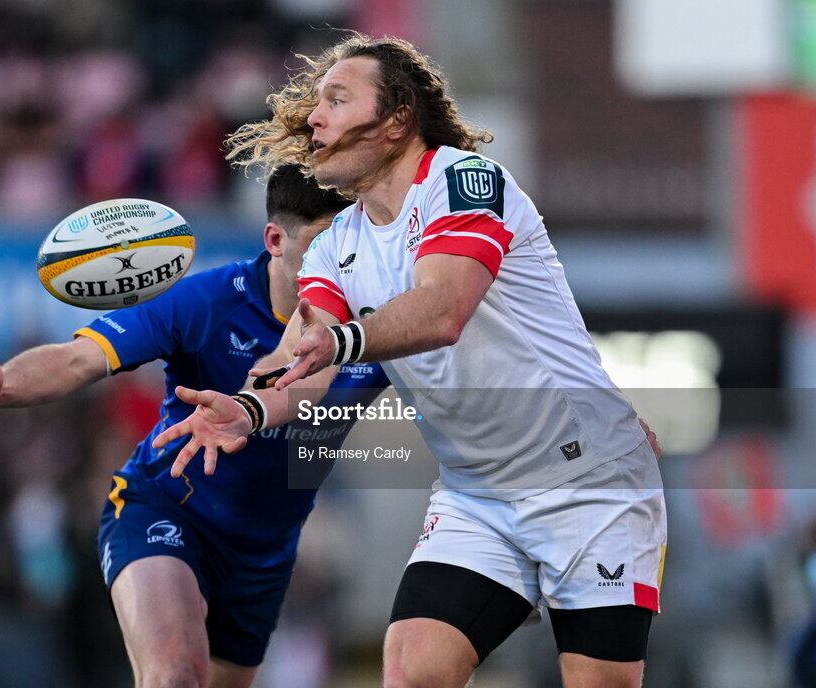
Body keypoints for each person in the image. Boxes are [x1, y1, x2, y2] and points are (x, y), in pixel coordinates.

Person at [156, 34, 667, 688]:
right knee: (412, 668)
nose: (314, 117)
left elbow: (441, 311)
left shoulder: (464, 180)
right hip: (476, 492)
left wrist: (339, 341)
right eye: (316, 103)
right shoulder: (333, 247)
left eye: (337, 100)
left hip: (587, 475)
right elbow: (303, 365)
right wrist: (248, 408)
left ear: (396, 121)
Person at [0, 165, 389, 688]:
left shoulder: (376, 327)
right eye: (324, 243)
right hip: (164, 511)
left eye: (355, 242)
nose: (343, 261)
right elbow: (78, 360)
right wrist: (8, 384)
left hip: (264, 552)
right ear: (275, 239)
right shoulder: (206, 302)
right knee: (175, 676)